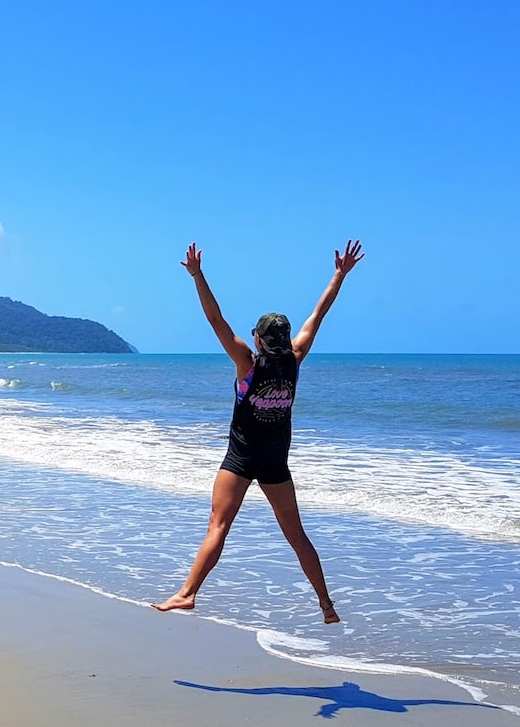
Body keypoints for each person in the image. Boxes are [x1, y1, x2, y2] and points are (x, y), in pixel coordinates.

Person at [153, 240, 364, 623]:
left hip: (241, 459)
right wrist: (339, 274)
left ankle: (187, 594)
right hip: (275, 463)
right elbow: (319, 314)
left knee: (218, 526)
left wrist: (197, 275)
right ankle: (326, 605)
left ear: (259, 339)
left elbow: (216, 321)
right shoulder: (295, 359)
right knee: (296, 535)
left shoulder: (247, 364)